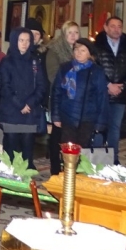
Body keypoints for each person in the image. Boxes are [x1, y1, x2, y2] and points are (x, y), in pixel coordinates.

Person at [92, 16, 126, 164]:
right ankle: (95, 160)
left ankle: (113, 159)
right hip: (100, 94)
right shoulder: (97, 46)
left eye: (119, 26)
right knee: (98, 127)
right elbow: (94, 68)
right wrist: (108, 85)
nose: (116, 29)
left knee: (115, 128)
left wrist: (122, 86)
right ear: (106, 28)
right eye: (112, 26)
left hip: (120, 95)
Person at [0, 28, 48, 168]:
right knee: (11, 150)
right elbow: (5, 87)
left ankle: (26, 182)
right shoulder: (7, 62)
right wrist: (20, 105)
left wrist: (30, 103)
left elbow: (41, 85)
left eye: (27, 40)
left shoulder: (34, 61)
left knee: (27, 150)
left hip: (29, 113)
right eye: (21, 40)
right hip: (12, 111)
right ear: (15, 41)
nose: (25, 44)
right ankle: (9, 182)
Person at [51, 41, 109, 147]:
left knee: (83, 151)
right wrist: (56, 116)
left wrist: (100, 123)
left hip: (87, 119)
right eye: (76, 49)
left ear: (89, 54)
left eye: (83, 50)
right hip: (67, 116)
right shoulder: (65, 68)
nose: (78, 53)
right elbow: (57, 92)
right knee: (68, 152)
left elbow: (102, 97)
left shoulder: (96, 71)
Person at [45, 21, 82, 174]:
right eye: (70, 33)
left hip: (77, 102)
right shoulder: (54, 51)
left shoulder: (81, 50)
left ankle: (73, 166)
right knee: (57, 134)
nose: (73, 36)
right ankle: (55, 167)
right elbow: (53, 76)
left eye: (76, 32)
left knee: (75, 134)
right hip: (59, 98)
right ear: (64, 35)